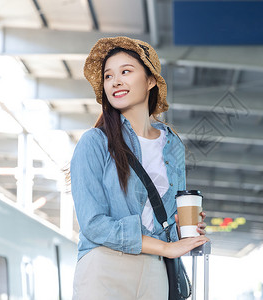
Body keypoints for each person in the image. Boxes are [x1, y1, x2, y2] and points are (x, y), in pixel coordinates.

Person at [70, 36, 209, 300]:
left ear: (150, 80)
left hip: (155, 271)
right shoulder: (94, 142)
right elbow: (93, 224)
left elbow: (165, 220)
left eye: (125, 72)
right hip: (104, 267)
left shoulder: (173, 146)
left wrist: (183, 231)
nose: (115, 81)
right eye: (108, 76)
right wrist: (165, 248)